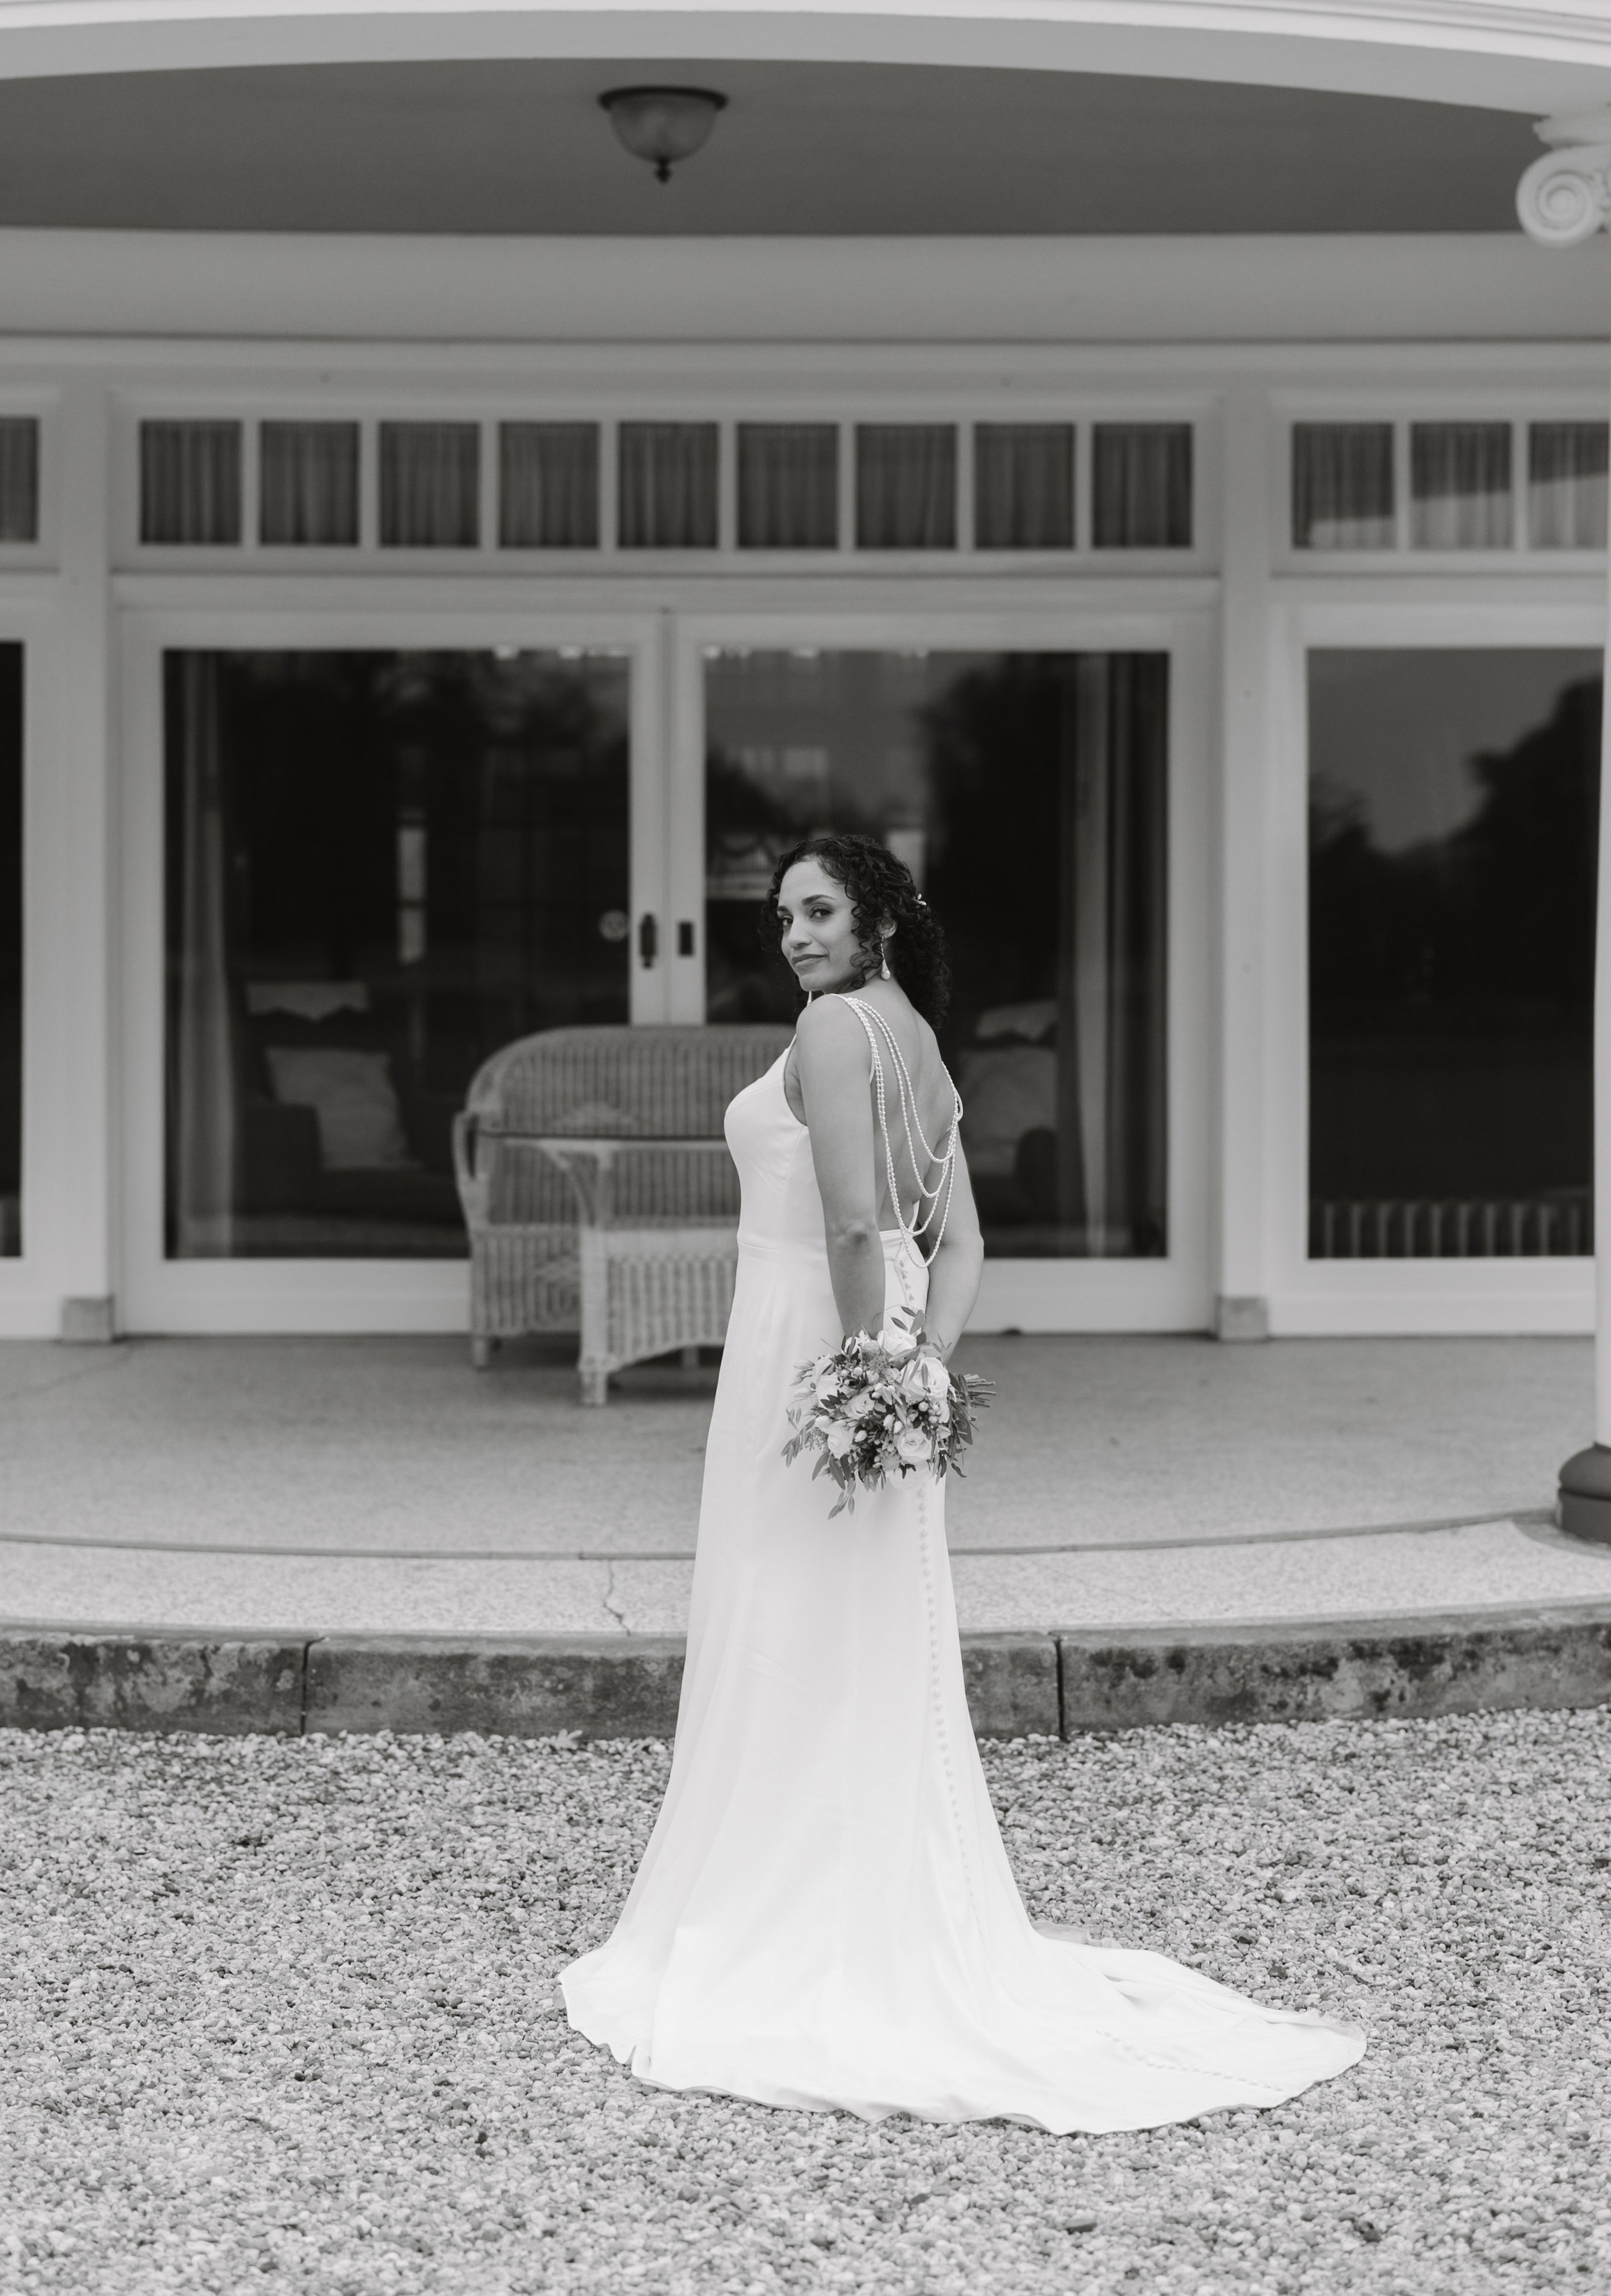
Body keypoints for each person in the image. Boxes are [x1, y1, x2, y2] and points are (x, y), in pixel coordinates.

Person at [562, 834, 1363, 2129]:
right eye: (783, 917)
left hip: (808, 1337)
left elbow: (845, 1224)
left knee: (787, 1611)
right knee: (860, 1622)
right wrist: (917, 1365)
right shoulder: (921, 1043)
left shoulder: (834, 1029)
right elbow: (964, 1242)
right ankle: (856, 1889)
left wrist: (856, 1368)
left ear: (878, 918)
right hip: (880, 1347)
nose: (796, 935)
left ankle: (786, 1910)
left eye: (820, 911)